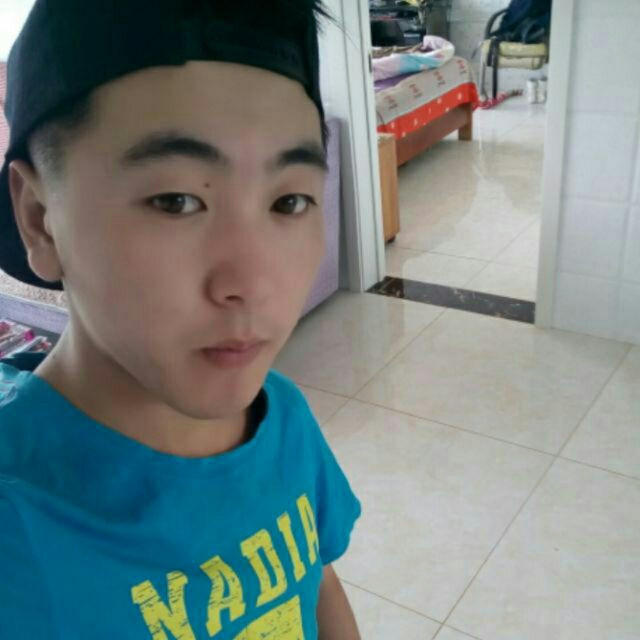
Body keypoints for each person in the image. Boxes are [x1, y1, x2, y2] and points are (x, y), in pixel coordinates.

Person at [0, 1, 362, 638]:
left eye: (289, 201)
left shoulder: (284, 419)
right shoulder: (17, 531)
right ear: (39, 219)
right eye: (176, 201)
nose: (253, 284)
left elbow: (318, 581)